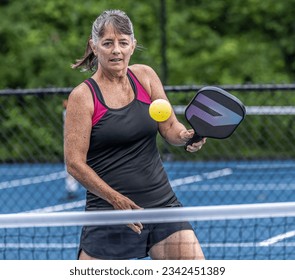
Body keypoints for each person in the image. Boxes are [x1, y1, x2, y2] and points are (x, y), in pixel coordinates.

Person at [64, 9, 206, 260]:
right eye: (107, 43)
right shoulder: (82, 97)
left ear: (133, 45)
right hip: (109, 214)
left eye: (123, 42)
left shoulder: (146, 77)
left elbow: (171, 129)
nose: (116, 50)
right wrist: (116, 201)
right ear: (94, 47)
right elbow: (75, 164)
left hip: (162, 206)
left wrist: (187, 137)